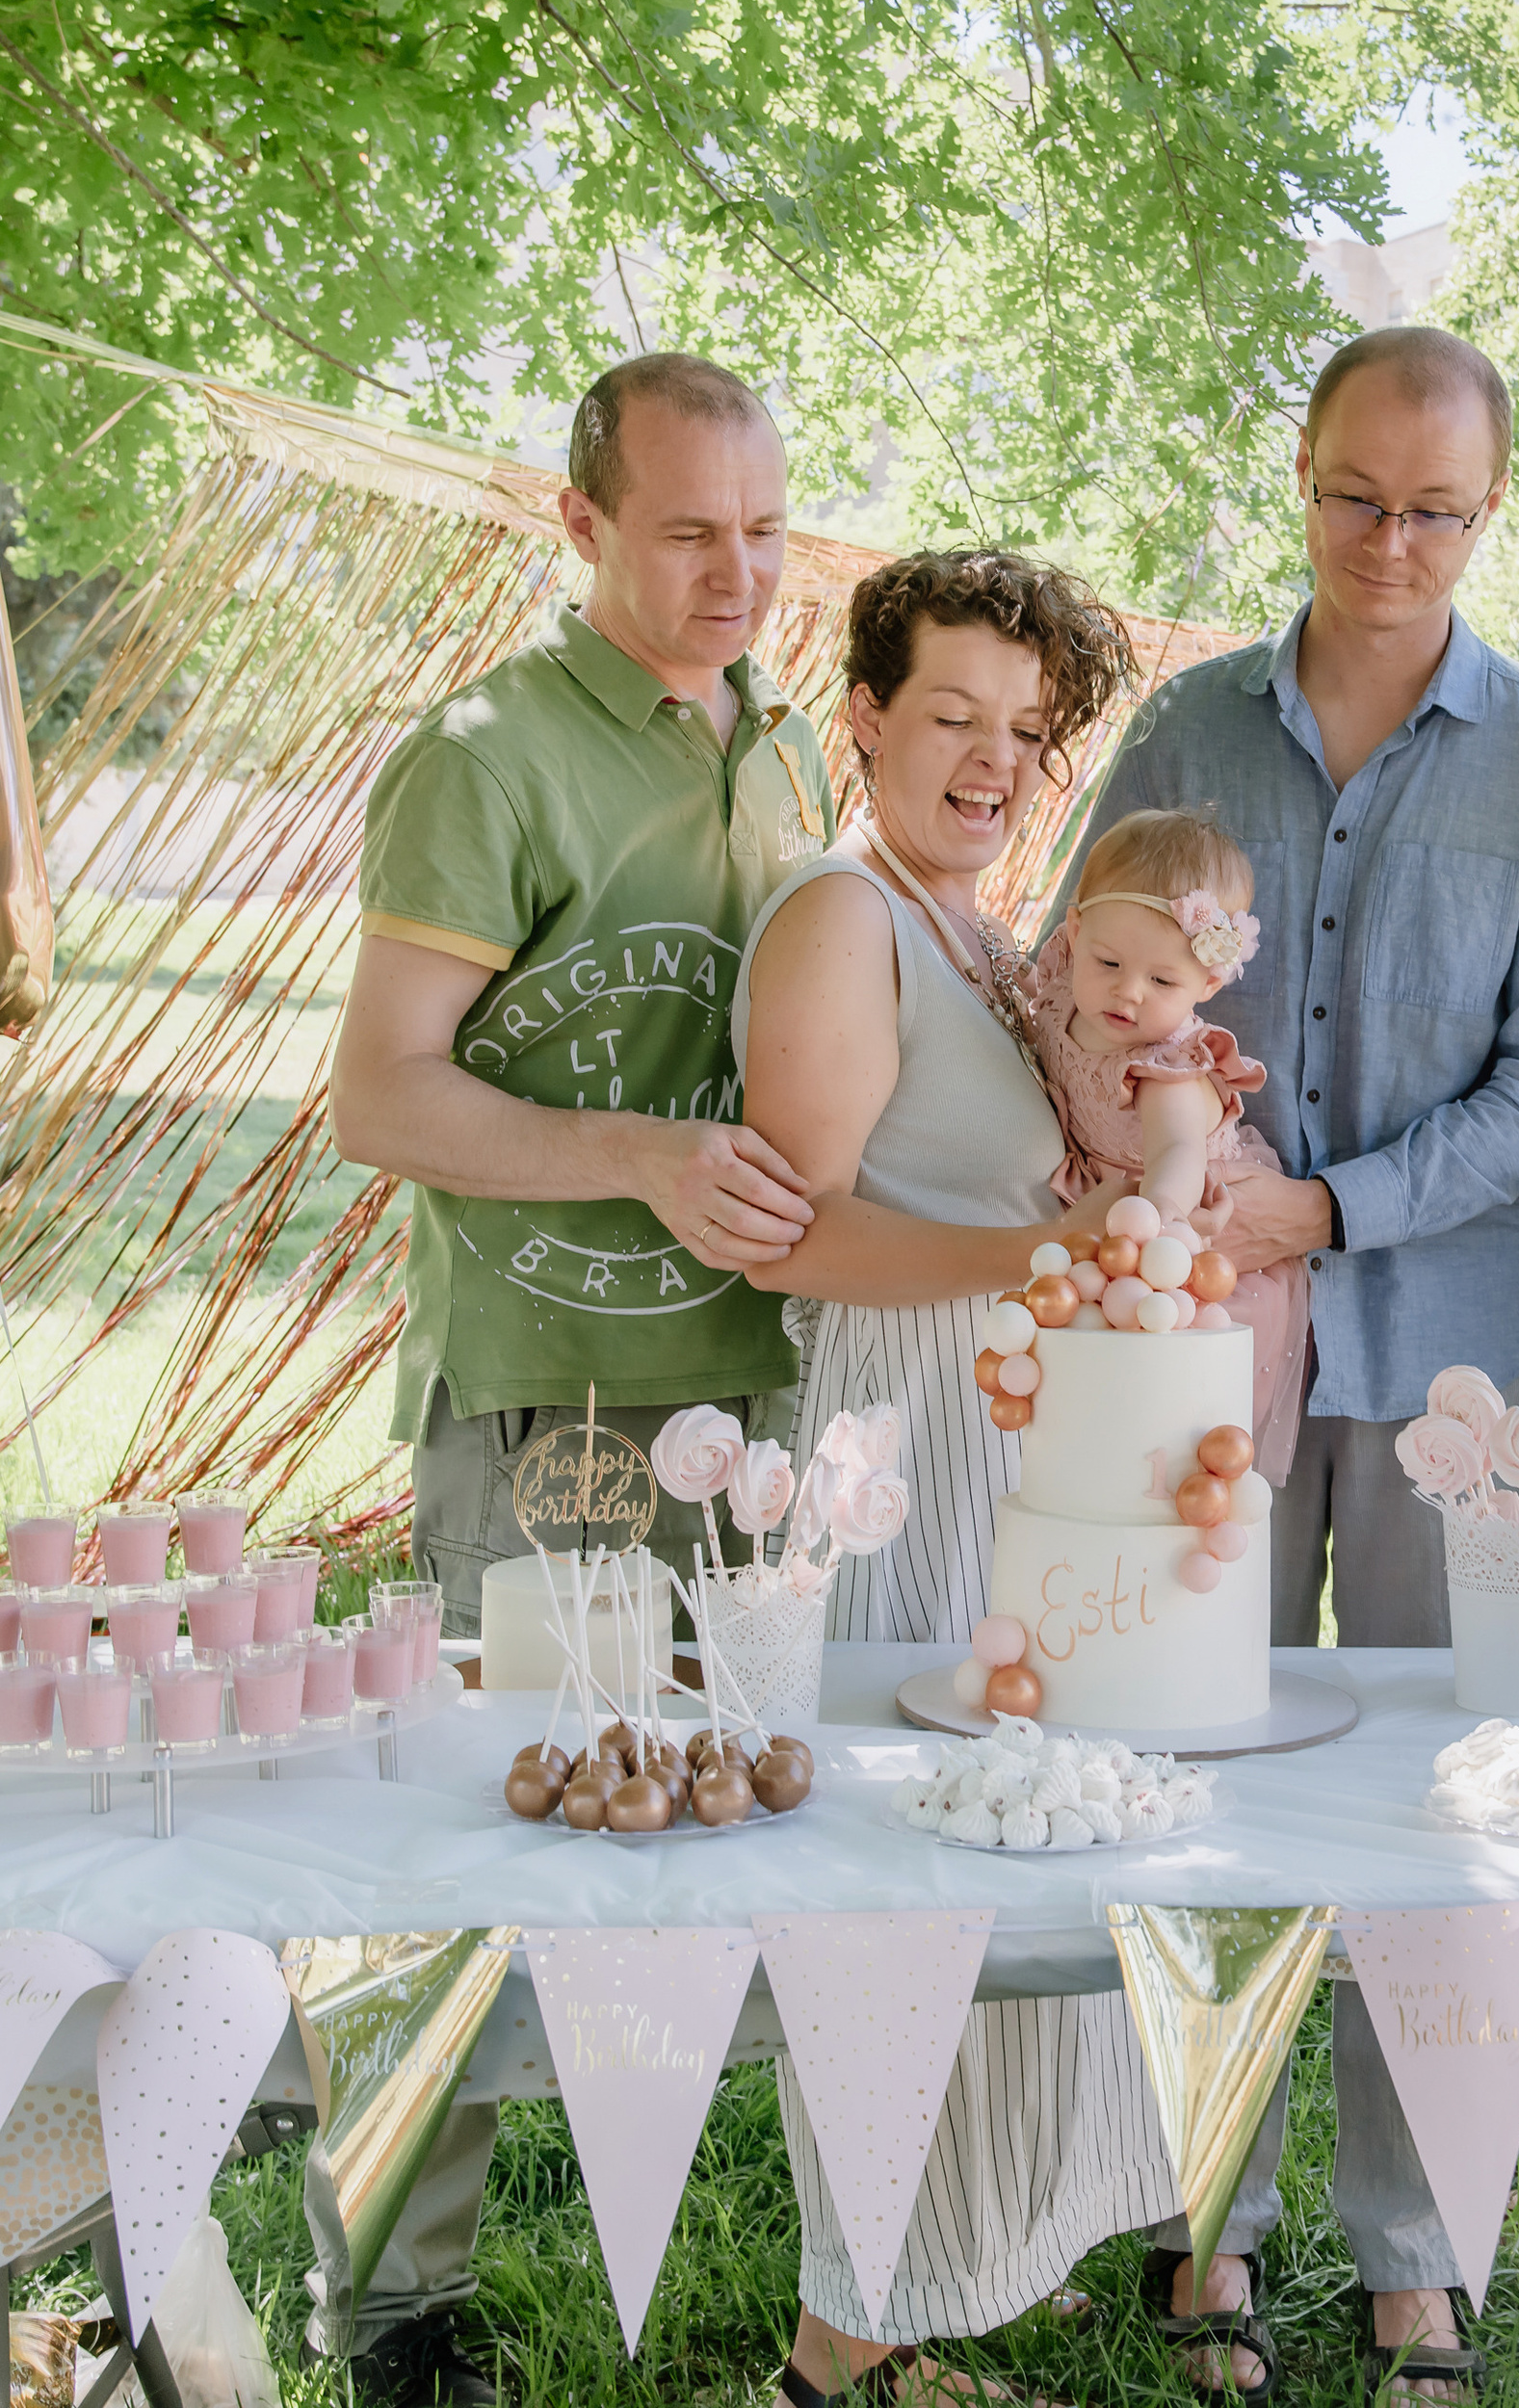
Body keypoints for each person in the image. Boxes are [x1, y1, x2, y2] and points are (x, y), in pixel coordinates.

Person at [1058, 326, 1519, 2399]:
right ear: (1296, 479)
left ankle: (1411, 2242)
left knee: (1433, 1794)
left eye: (1437, 507)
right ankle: (1204, 2208)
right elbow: (1080, 980)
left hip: (1444, 1358)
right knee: (1181, 1757)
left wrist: (1332, 1204)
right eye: (1353, 494)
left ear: (1489, 513)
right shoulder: (1180, 726)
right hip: (1185, 1352)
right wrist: (1165, 1161)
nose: (1390, 541)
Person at [324, 353, 831, 2403]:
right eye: (690, 531)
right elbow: (379, 1095)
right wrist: (639, 1154)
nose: (739, 574)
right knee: (494, 1838)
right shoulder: (485, 749)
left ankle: (805, 2216)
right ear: (580, 524)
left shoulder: (789, 744)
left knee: (727, 1820)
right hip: (547, 1402)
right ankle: (394, 2304)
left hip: (760, 1393)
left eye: (768, 530)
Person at [733, 547, 1181, 2406]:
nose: (995, 760)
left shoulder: (988, 930)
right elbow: (794, 1239)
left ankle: (972, 2250)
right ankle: (849, 2338)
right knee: (912, 1870)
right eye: (952, 718)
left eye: (1026, 728)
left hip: (1011, 1432)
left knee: (1028, 1843)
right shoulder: (843, 917)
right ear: (862, 720)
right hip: (895, 1444)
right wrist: (1045, 1262)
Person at [1026, 807, 1308, 1475]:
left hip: (1195, 1247)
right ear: (1074, 931)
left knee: (1167, 1419)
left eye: (1162, 982)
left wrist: (1163, 1226)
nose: (1128, 991)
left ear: (1208, 984)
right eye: (1110, 961)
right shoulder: (1067, 992)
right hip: (1111, 1220)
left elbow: (1178, 1155)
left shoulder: (1168, 1067)